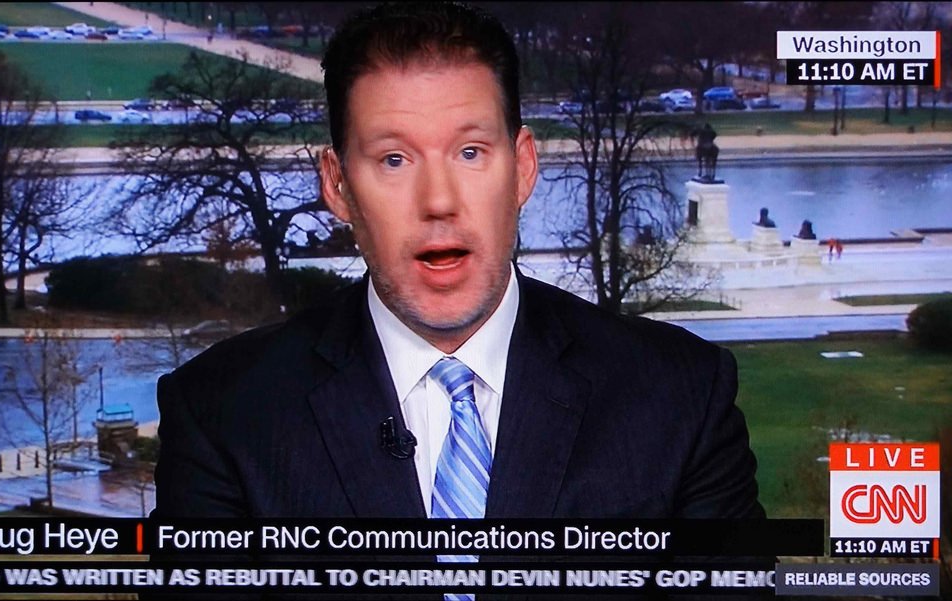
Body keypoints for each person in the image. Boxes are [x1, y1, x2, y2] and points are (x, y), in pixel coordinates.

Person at [153, 1, 762, 525]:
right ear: (337, 185)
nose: (439, 202)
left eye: (470, 152)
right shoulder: (222, 415)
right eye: (394, 160)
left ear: (522, 167)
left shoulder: (681, 398)